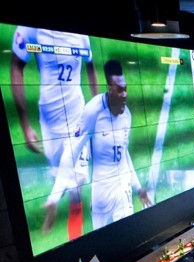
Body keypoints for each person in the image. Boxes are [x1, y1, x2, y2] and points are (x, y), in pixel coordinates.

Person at [11, 27, 97, 238]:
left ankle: (75, 245)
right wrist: (25, 125)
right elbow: (16, 66)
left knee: (76, 185)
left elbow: (91, 67)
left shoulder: (81, 34)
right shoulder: (29, 29)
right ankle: (55, 201)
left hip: (77, 115)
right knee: (63, 175)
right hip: (49, 120)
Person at [54, 59, 151, 230]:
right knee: (101, 244)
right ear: (110, 89)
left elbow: (124, 153)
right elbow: (74, 149)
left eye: (126, 88)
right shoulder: (93, 113)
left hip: (122, 189)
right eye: (120, 89)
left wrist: (138, 189)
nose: (125, 94)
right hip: (100, 193)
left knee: (128, 235)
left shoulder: (126, 115)